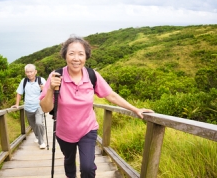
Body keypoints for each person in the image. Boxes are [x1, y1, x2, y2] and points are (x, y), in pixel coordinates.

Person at [39, 35, 154, 178]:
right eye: (71, 54)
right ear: (65, 56)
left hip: (88, 129)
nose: (76, 58)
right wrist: (50, 89)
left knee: (87, 168)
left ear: (86, 57)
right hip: (64, 132)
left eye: (81, 54)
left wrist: (135, 109)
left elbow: (110, 95)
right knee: (69, 160)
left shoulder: (92, 76)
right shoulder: (56, 76)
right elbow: (45, 108)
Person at [12, 64, 47, 149]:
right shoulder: (24, 81)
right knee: (33, 125)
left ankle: (41, 141)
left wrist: (43, 89)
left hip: (39, 106)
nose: (29, 74)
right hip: (28, 107)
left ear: (35, 72)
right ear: (25, 73)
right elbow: (19, 93)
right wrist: (17, 104)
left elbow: (48, 92)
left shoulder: (41, 80)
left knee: (39, 123)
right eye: (27, 72)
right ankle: (38, 135)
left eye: (31, 72)